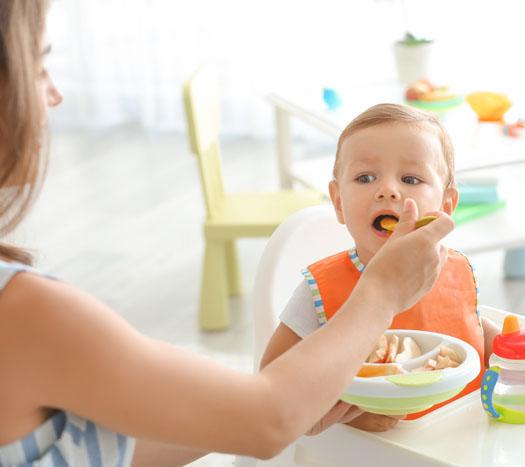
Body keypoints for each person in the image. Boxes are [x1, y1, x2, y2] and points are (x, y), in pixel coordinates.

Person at [0, 1, 456, 465]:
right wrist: (380, 290)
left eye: (412, 179)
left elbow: (90, 448)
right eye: (39, 67)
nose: (55, 94)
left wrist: (293, 411)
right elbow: (265, 418)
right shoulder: (24, 312)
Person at [261, 103, 500, 432]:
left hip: (465, 440)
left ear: (446, 206)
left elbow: (465, 327)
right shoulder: (320, 290)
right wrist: (348, 417)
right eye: (365, 177)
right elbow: (270, 391)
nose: (388, 190)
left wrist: (500, 344)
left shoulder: (457, 269)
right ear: (339, 202)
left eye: (410, 178)